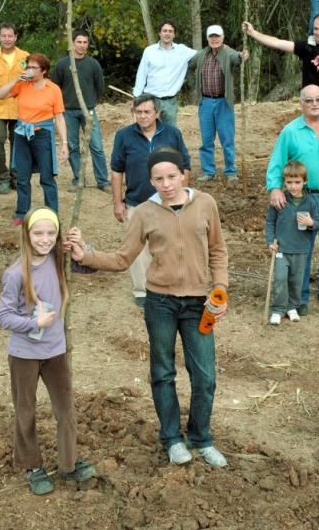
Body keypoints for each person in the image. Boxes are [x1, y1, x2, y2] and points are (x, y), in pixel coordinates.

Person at [66, 148, 229, 468]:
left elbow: (218, 250)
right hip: (160, 302)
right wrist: (85, 255)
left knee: (205, 376)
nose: (166, 184)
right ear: (150, 180)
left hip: (199, 303)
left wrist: (220, 288)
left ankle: (201, 437)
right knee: (163, 372)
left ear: (184, 174)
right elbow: (122, 258)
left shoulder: (205, 204)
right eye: (158, 179)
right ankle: (171, 438)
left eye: (171, 176)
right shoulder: (143, 212)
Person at [0, 208, 96, 495]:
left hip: (56, 352)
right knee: (25, 411)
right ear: (26, 235)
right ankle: (32, 465)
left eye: (51, 233)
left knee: (66, 409)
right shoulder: (15, 274)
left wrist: (81, 245)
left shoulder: (59, 262)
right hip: (24, 355)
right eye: (38, 233)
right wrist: (33, 323)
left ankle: (68, 463)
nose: (45, 239)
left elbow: (87, 266)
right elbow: (3, 317)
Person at [109, 95, 192, 308]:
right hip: (136, 201)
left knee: (170, 244)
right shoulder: (124, 136)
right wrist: (118, 203)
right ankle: (142, 291)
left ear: (157, 113)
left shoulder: (173, 134)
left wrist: (182, 197)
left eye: (147, 112)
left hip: (168, 203)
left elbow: (185, 167)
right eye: (139, 112)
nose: (143, 116)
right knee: (138, 248)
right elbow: (117, 171)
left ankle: (170, 284)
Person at [265, 85, 319, 311]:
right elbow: (277, 162)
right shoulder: (291, 131)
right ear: (301, 103)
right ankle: (299, 298)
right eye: (309, 100)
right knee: (302, 249)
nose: (314, 104)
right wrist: (275, 188)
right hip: (304, 199)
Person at [243, 11, 319, 125]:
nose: (318, 32)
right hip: (314, 107)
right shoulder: (306, 48)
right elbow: (277, 42)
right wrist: (253, 33)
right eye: (316, 29)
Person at [0, 53, 67, 225]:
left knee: (47, 177)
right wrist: (16, 80)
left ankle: (52, 212)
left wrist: (64, 143)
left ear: (43, 70)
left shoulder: (53, 89)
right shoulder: (22, 85)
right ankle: (22, 213)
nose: (29, 70)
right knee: (22, 176)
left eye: (34, 67)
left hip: (43, 133)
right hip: (21, 133)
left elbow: (59, 117)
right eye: (28, 66)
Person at [50, 31, 109, 191]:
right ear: (72, 43)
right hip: (68, 112)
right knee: (73, 146)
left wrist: (90, 101)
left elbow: (100, 87)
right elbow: (55, 87)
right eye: (79, 42)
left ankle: (103, 181)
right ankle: (79, 179)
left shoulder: (93, 64)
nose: (82, 45)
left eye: (85, 42)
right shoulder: (63, 64)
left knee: (96, 145)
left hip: (88, 110)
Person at [188, 25, 247, 182]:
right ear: (207, 38)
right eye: (211, 36)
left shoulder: (228, 53)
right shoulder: (200, 55)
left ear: (222, 38)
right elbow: (189, 66)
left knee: (227, 139)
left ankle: (230, 171)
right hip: (205, 102)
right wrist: (194, 86)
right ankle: (208, 171)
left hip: (223, 102)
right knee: (206, 140)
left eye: (217, 36)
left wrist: (242, 56)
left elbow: (238, 58)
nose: (214, 39)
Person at [264, 161, 319, 325]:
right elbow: (270, 223)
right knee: (280, 279)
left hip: (301, 249)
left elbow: (318, 223)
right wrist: (270, 242)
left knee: (296, 280)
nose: (293, 186)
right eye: (289, 182)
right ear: (284, 182)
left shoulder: (310, 202)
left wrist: (311, 223)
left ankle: (292, 306)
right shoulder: (279, 201)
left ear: (304, 182)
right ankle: (278, 309)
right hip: (282, 248)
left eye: (297, 182)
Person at [0, 24, 29, 194]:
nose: (7, 39)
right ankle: (2, 177)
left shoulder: (25, 57)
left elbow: (30, 81)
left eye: (10, 36)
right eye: (4, 36)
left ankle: (16, 176)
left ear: (16, 37)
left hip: (20, 108)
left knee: (18, 144)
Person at [133, 20, 197, 127]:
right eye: (164, 31)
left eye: (170, 31)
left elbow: (203, 55)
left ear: (174, 34)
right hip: (150, 99)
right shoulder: (149, 51)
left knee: (169, 133)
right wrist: (136, 97)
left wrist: (221, 48)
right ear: (159, 33)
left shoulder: (183, 51)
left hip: (170, 102)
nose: (167, 33)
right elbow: (141, 74)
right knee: (148, 130)